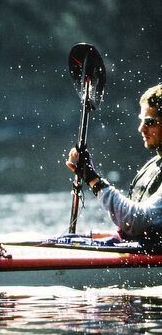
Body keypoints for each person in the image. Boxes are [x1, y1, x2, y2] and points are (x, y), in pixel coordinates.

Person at [66, 83, 162, 249]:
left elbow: (136, 220)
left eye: (150, 122)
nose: (141, 128)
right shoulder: (152, 166)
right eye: (141, 121)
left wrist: (93, 180)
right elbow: (128, 227)